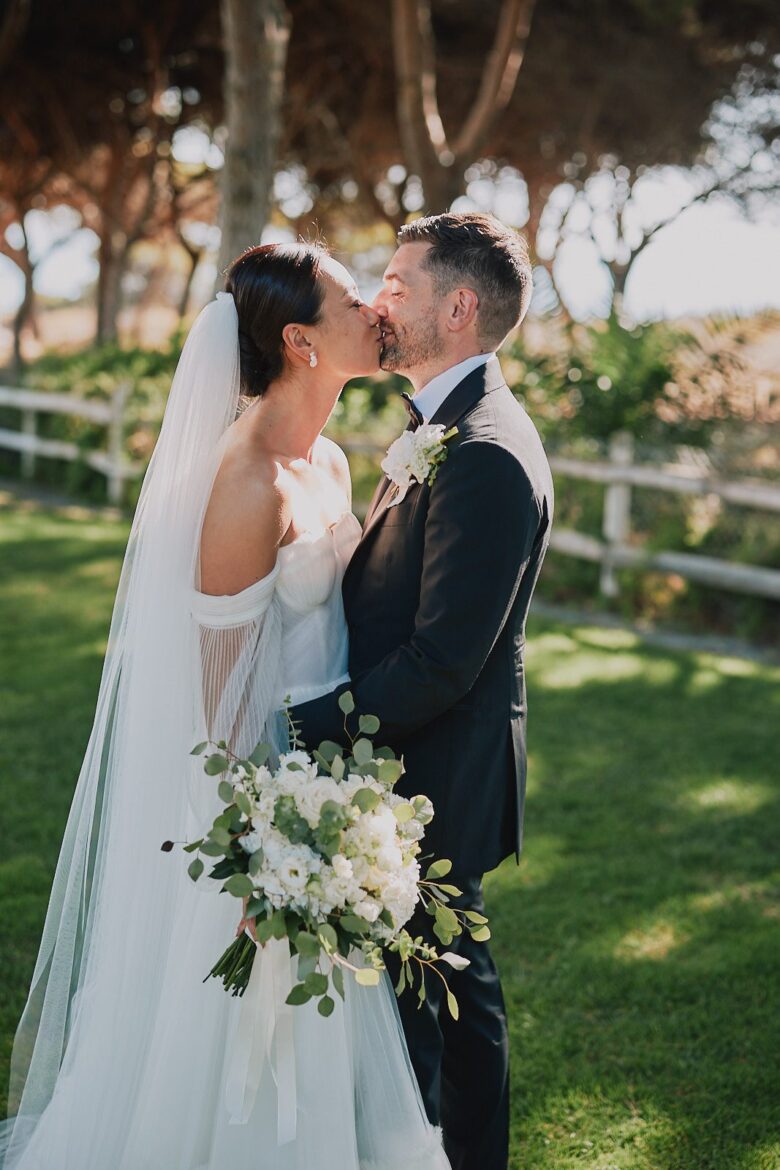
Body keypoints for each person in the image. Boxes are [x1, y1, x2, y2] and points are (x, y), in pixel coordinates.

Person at [0, 243, 449, 1170]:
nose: (373, 309)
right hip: (262, 794)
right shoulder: (247, 481)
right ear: (301, 342)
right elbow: (220, 694)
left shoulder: (328, 458)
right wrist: (267, 842)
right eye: (348, 299)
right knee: (243, 1025)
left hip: (329, 773)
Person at [293, 212, 555, 1170]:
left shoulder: (484, 449)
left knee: (450, 1003)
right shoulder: (440, 426)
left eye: (399, 285)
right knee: (424, 1001)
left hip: (439, 771)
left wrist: (306, 727)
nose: (379, 300)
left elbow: (444, 658)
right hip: (410, 758)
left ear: (459, 307)